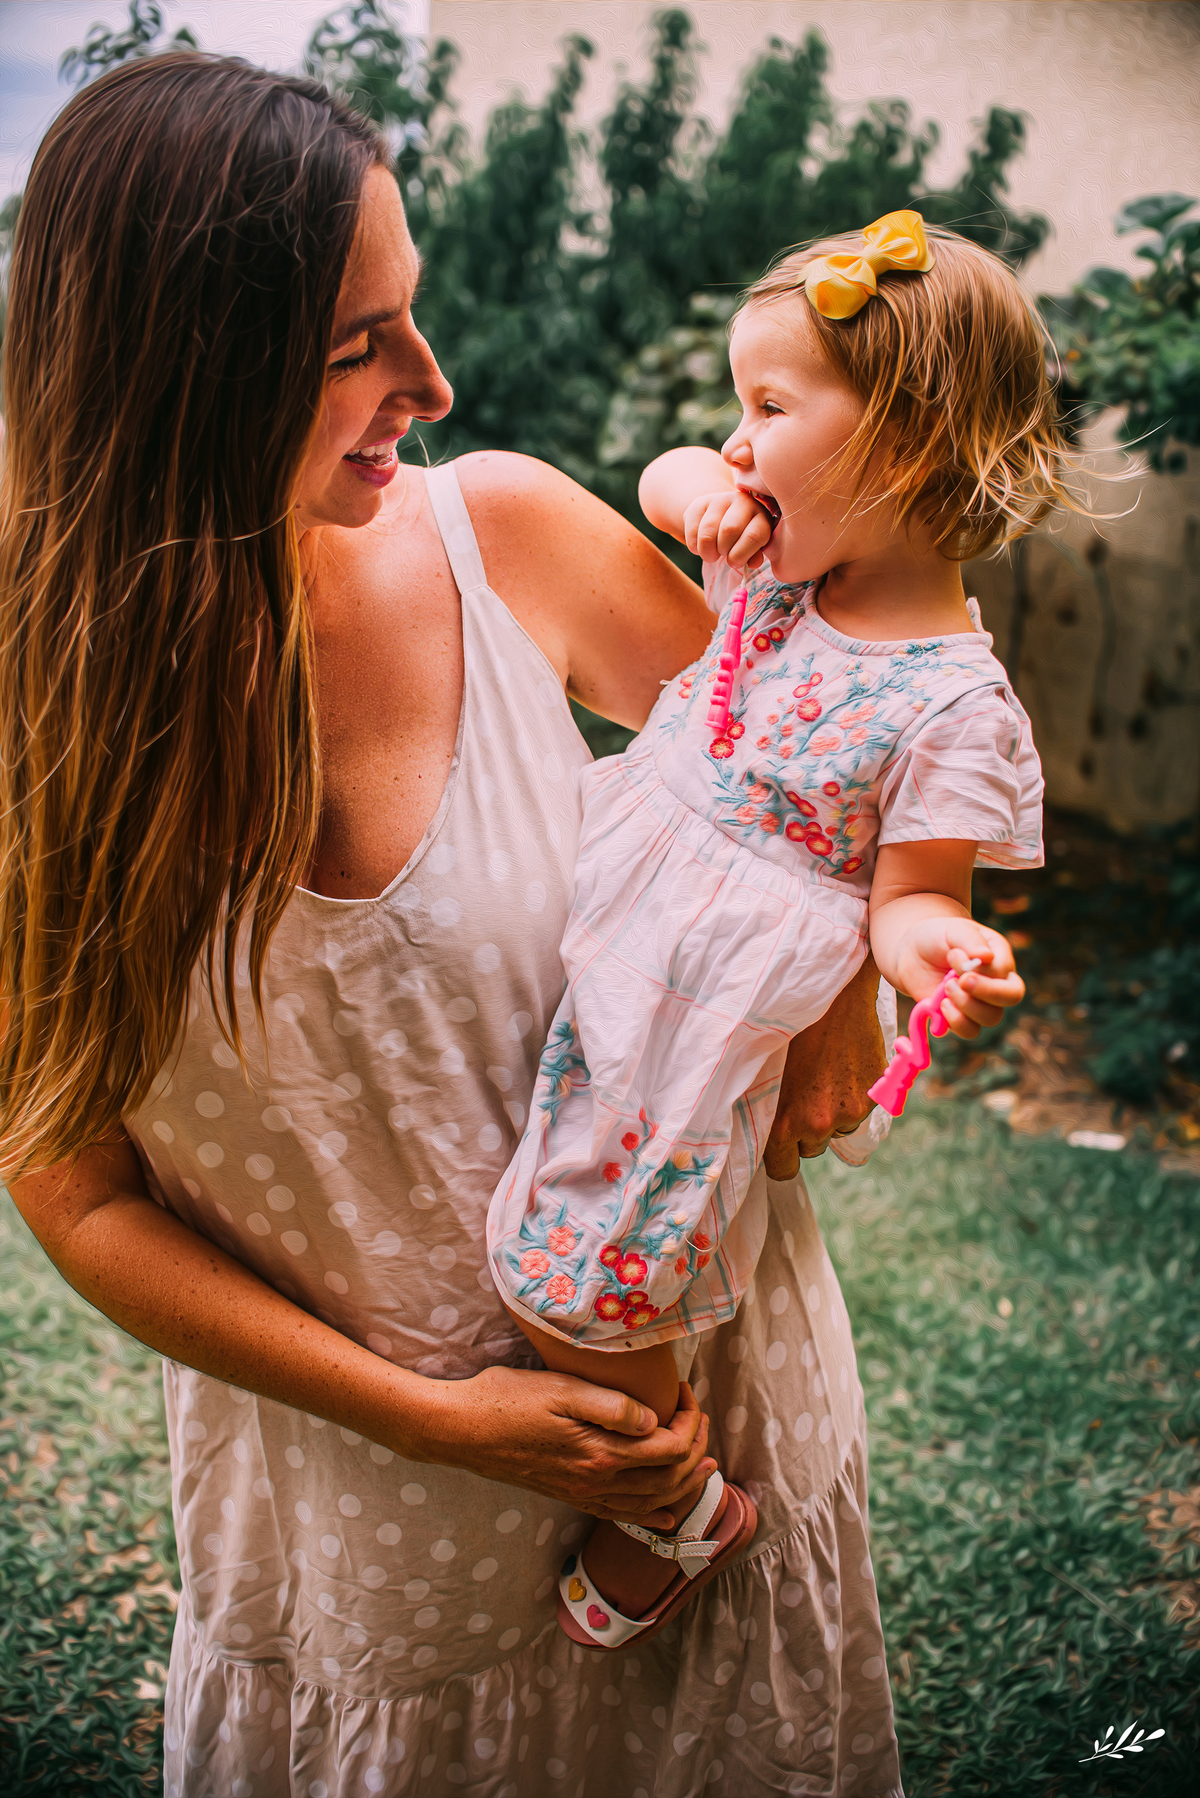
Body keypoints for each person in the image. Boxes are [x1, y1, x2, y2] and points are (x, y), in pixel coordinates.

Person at [2, 53, 905, 1798]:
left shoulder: (506, 539)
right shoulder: (36, 744)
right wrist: (432, 1417)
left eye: (408, 316)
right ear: (175, 366)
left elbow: (807, 753)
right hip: (368, 1524)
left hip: (689, 1455)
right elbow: (78, 1193)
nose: (431, 380)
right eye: (356, 344)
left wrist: (849, 971)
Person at [488, 213, 1052, 1649]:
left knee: (588, 1272)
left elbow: (916, 891)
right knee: (567, 1211)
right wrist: (705, 489)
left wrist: (937, 955)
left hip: (712, 1014)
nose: (734, 444)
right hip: (626, 957)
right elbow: (667, 474)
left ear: (910, 444)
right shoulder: (774, 570)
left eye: (771, 410)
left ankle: (675, 1496)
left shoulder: (954, 706)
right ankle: (656, 1450)